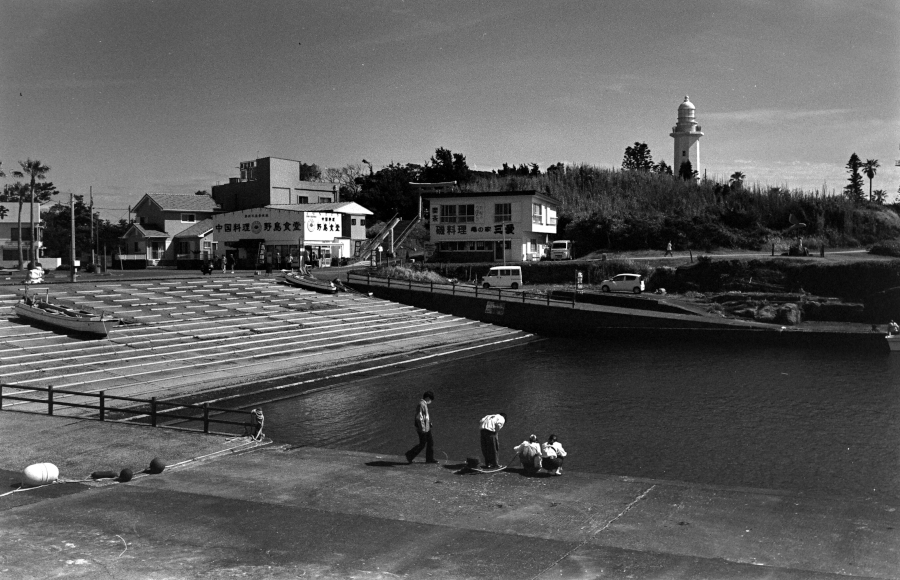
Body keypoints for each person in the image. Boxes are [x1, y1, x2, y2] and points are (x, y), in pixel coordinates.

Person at [405, 391, 436, 464]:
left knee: (430, 442)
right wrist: (423, 428)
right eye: (430, 400)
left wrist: (429, 423)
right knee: (422, 444)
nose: (430, 401)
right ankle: (410, 455)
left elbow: (425, 416)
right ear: (427, 398)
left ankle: (429, 459)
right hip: (423, 429)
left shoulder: (424, 404)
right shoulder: (421, 404)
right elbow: (419, 418)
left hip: (427, 427)